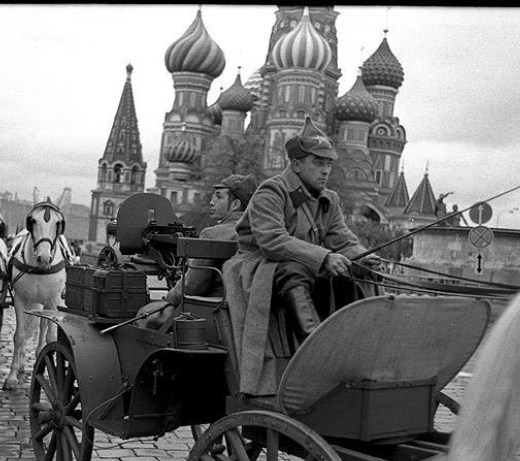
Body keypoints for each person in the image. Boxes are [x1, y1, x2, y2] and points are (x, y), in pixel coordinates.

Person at [223, 116, 382, 397]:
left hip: (302, 265)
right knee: (294, 270)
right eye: (317, 163)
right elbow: (272, 241)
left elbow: (342, 239)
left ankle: (354, 350)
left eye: (328, 164)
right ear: (296, 165)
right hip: (258, 268)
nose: (325, 171)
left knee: (354, 273)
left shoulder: (328, 199)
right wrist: (323, 257)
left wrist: (361, 257)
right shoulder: (271, 191)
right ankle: (314, 352)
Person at [136, 173, 257, 329]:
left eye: (218, 197)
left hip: (212, 312)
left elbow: (193, 285)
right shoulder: (258, 233)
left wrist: (168, 298)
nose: (211, 202)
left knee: (144, 315)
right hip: (244, 309)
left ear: (235, 205)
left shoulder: (212, 234)